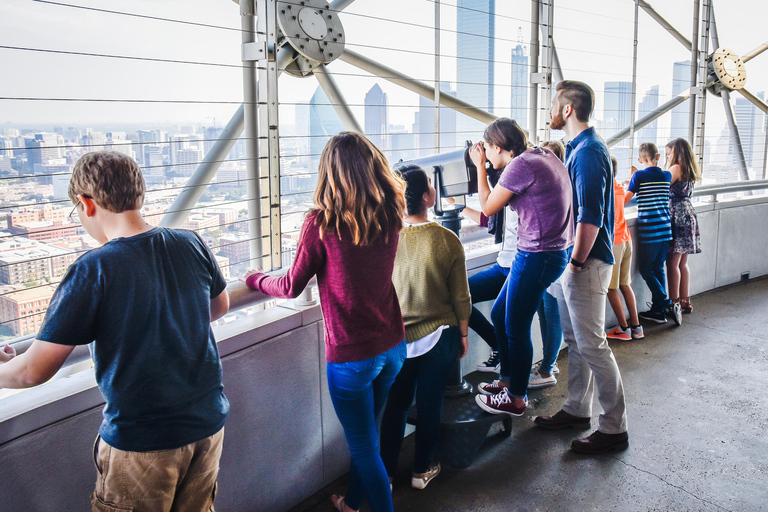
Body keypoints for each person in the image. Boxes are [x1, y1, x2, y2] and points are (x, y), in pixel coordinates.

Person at [0, 151, 230, 511]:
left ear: (86, 204)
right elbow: (218, 307)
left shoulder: (94, 269)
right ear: (139, 194)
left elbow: (32, 370)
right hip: (207, 423)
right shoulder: (191, 242)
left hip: (144, 440)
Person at [242, 132, 406, 512]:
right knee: (369, 436)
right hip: (393, 345)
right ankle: (351, 501)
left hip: (352, 356)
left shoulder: (322, 224)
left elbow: (289, 285)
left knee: (364, 447)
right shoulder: (390, 211)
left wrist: (253, 279)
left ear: (328, 173)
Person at [534, 80, 629, 455]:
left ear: (568, 110)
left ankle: (614, 428)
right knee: (578, 342)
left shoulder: (589, 153)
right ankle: (577, 408)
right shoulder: (578, 149)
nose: (550, 111)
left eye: (553, 105)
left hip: (584, 262)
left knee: (594, 344)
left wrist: (573, 263)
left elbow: (589, 218)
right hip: (577, 261)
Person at [470, 118, 573, 417]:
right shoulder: (544, 154)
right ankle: (507, 381)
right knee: (499, 313)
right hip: (547, 252)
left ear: (498, 147)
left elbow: (488, 207)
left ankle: (516, 397)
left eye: (486, 148)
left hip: (537, 255)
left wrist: (479, 167)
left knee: (515, 325)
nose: (485, 154)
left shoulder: (520, 166)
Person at [379, 164, 471, 491]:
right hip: (441, 337)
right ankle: (421, 471)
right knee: (431, 405)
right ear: (428, 197)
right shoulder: (447, 240)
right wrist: (462, 334)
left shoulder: (387, 240)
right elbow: (461, 296)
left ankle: (386, 476)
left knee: (396, 407)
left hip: (398, 340)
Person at [624, 142, 682, 326]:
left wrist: (632, 180)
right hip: (665, 229)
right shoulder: (665, 175)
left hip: (650, 231)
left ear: (640, 160)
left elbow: (626, 199)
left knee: (645, 269)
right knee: (658, 268)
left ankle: (665, 303)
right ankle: (658, 311)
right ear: (658, 157)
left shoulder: (639, 175)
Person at [606, 156, 643, 341]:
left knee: (610, 288)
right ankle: (636, 326)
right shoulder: (619, 187)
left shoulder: (604, 191)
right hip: (626, 239)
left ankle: (623, 328)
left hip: (614, 243)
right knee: (624, 284)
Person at [665, 138, 702, 314]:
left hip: (677, 215)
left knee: (672, 262)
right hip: (688, 213)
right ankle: (685, 300)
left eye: (668, 153)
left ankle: (674, 303)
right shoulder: (690, 168)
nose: (667, 156)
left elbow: (661, 186)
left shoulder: (676, 168)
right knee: (683, 263)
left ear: (676, 152)